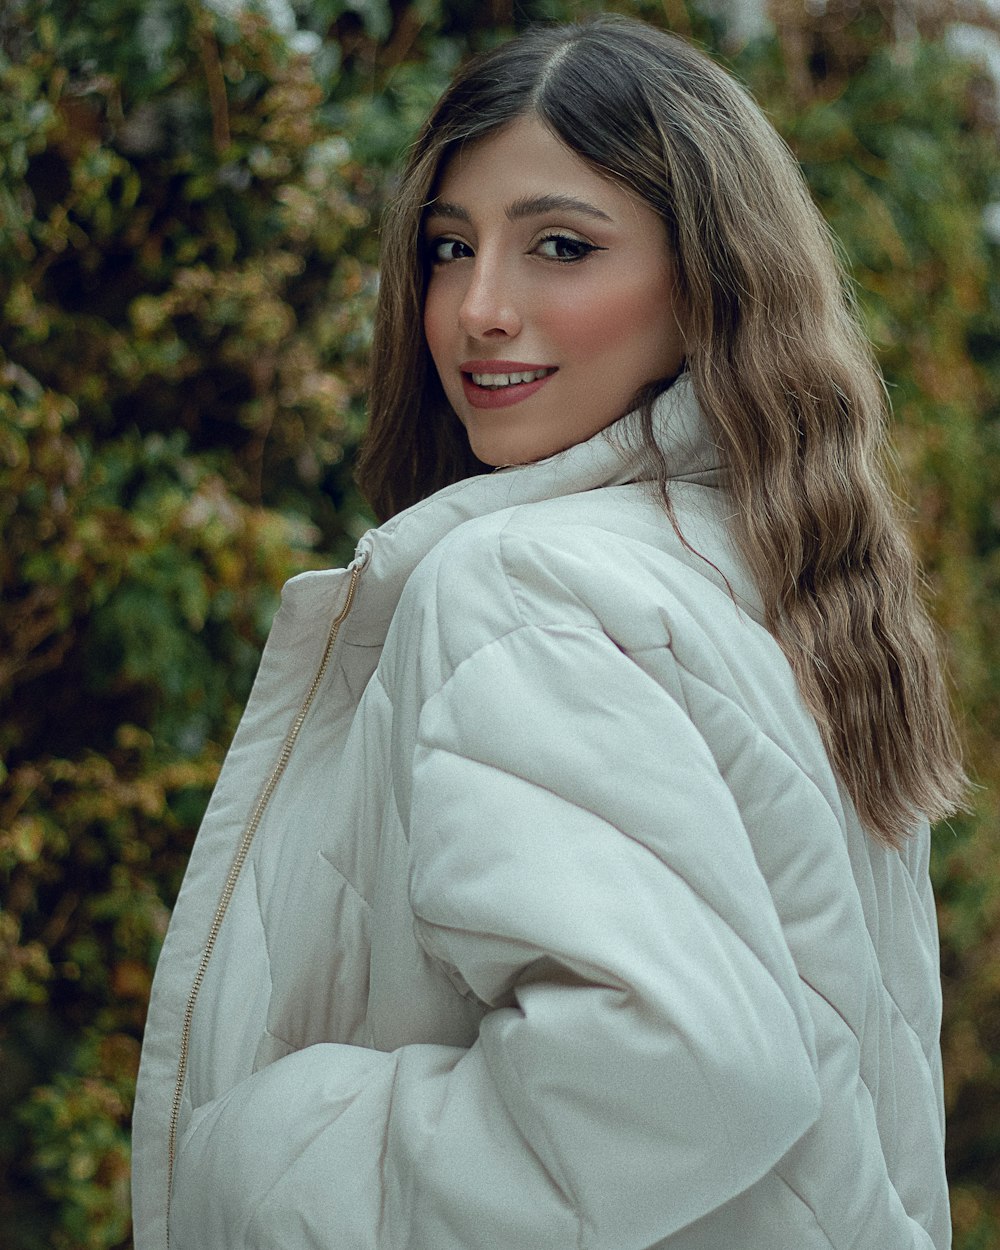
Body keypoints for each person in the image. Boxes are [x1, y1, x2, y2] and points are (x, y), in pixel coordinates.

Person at [131, 15, 968, 1250]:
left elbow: (674, 1070)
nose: (478, 308)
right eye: (448, 248)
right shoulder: (776, 579)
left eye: (560, 247)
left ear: (709, 281)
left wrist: (264, 1158)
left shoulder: (524, 583)